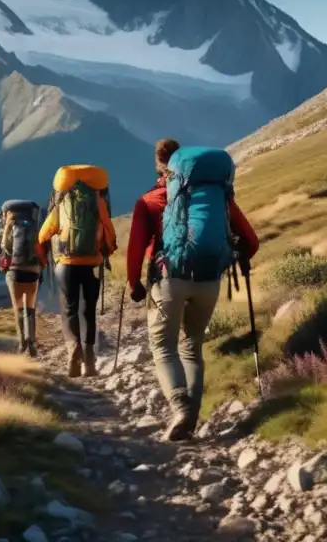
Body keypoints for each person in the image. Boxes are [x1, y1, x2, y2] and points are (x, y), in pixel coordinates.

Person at [126, 139, 259, 441]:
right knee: (192, 346)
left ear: (160, 166)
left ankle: (179, 408)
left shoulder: (149, 201)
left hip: (169, 279)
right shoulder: (218, 197)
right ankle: (191, 418)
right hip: (209, 280)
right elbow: (251, 241)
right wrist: (234, 256)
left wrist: (135, 283)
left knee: (163, 347)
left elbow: (135, 249)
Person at [39, 165, 118, 378]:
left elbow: (44, 234)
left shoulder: (61, 202)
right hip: (92, 263)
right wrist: (107, 250)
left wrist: (47, 251)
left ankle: (74, 353)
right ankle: (90, 364)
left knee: (70, 309)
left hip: (65, 264)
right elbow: (109, 230)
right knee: (89, 312)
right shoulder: (98, 201)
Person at [0, 199, 47, 357]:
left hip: (14, 271)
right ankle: (32, 342)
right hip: (33, 271)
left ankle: (22, 343)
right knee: (31, 308)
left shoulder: (4, 230)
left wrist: (3, 263)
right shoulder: (35, 227)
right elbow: (45, 248)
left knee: (18, 308)